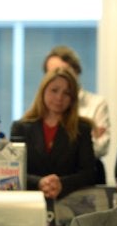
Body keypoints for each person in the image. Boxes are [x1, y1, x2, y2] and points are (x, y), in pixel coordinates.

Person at [10, 67, 95, 201]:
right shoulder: (21, 127)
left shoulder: (82, 129)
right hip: (29, 202)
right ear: (43, 91)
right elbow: (12, 170)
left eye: (66, 93)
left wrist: (61, 184)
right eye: (54, 90)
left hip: (69, 202)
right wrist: (39, 182)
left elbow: (89, 173)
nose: (59, 97)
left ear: (73, 98)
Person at [43, 45, 110, 184]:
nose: (60, 77)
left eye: (65, 71)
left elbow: (101, 147)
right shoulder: (43, 109)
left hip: (86, 179)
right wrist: (84, 142)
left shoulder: (96, 104)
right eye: (53, 73)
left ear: (76, 71)